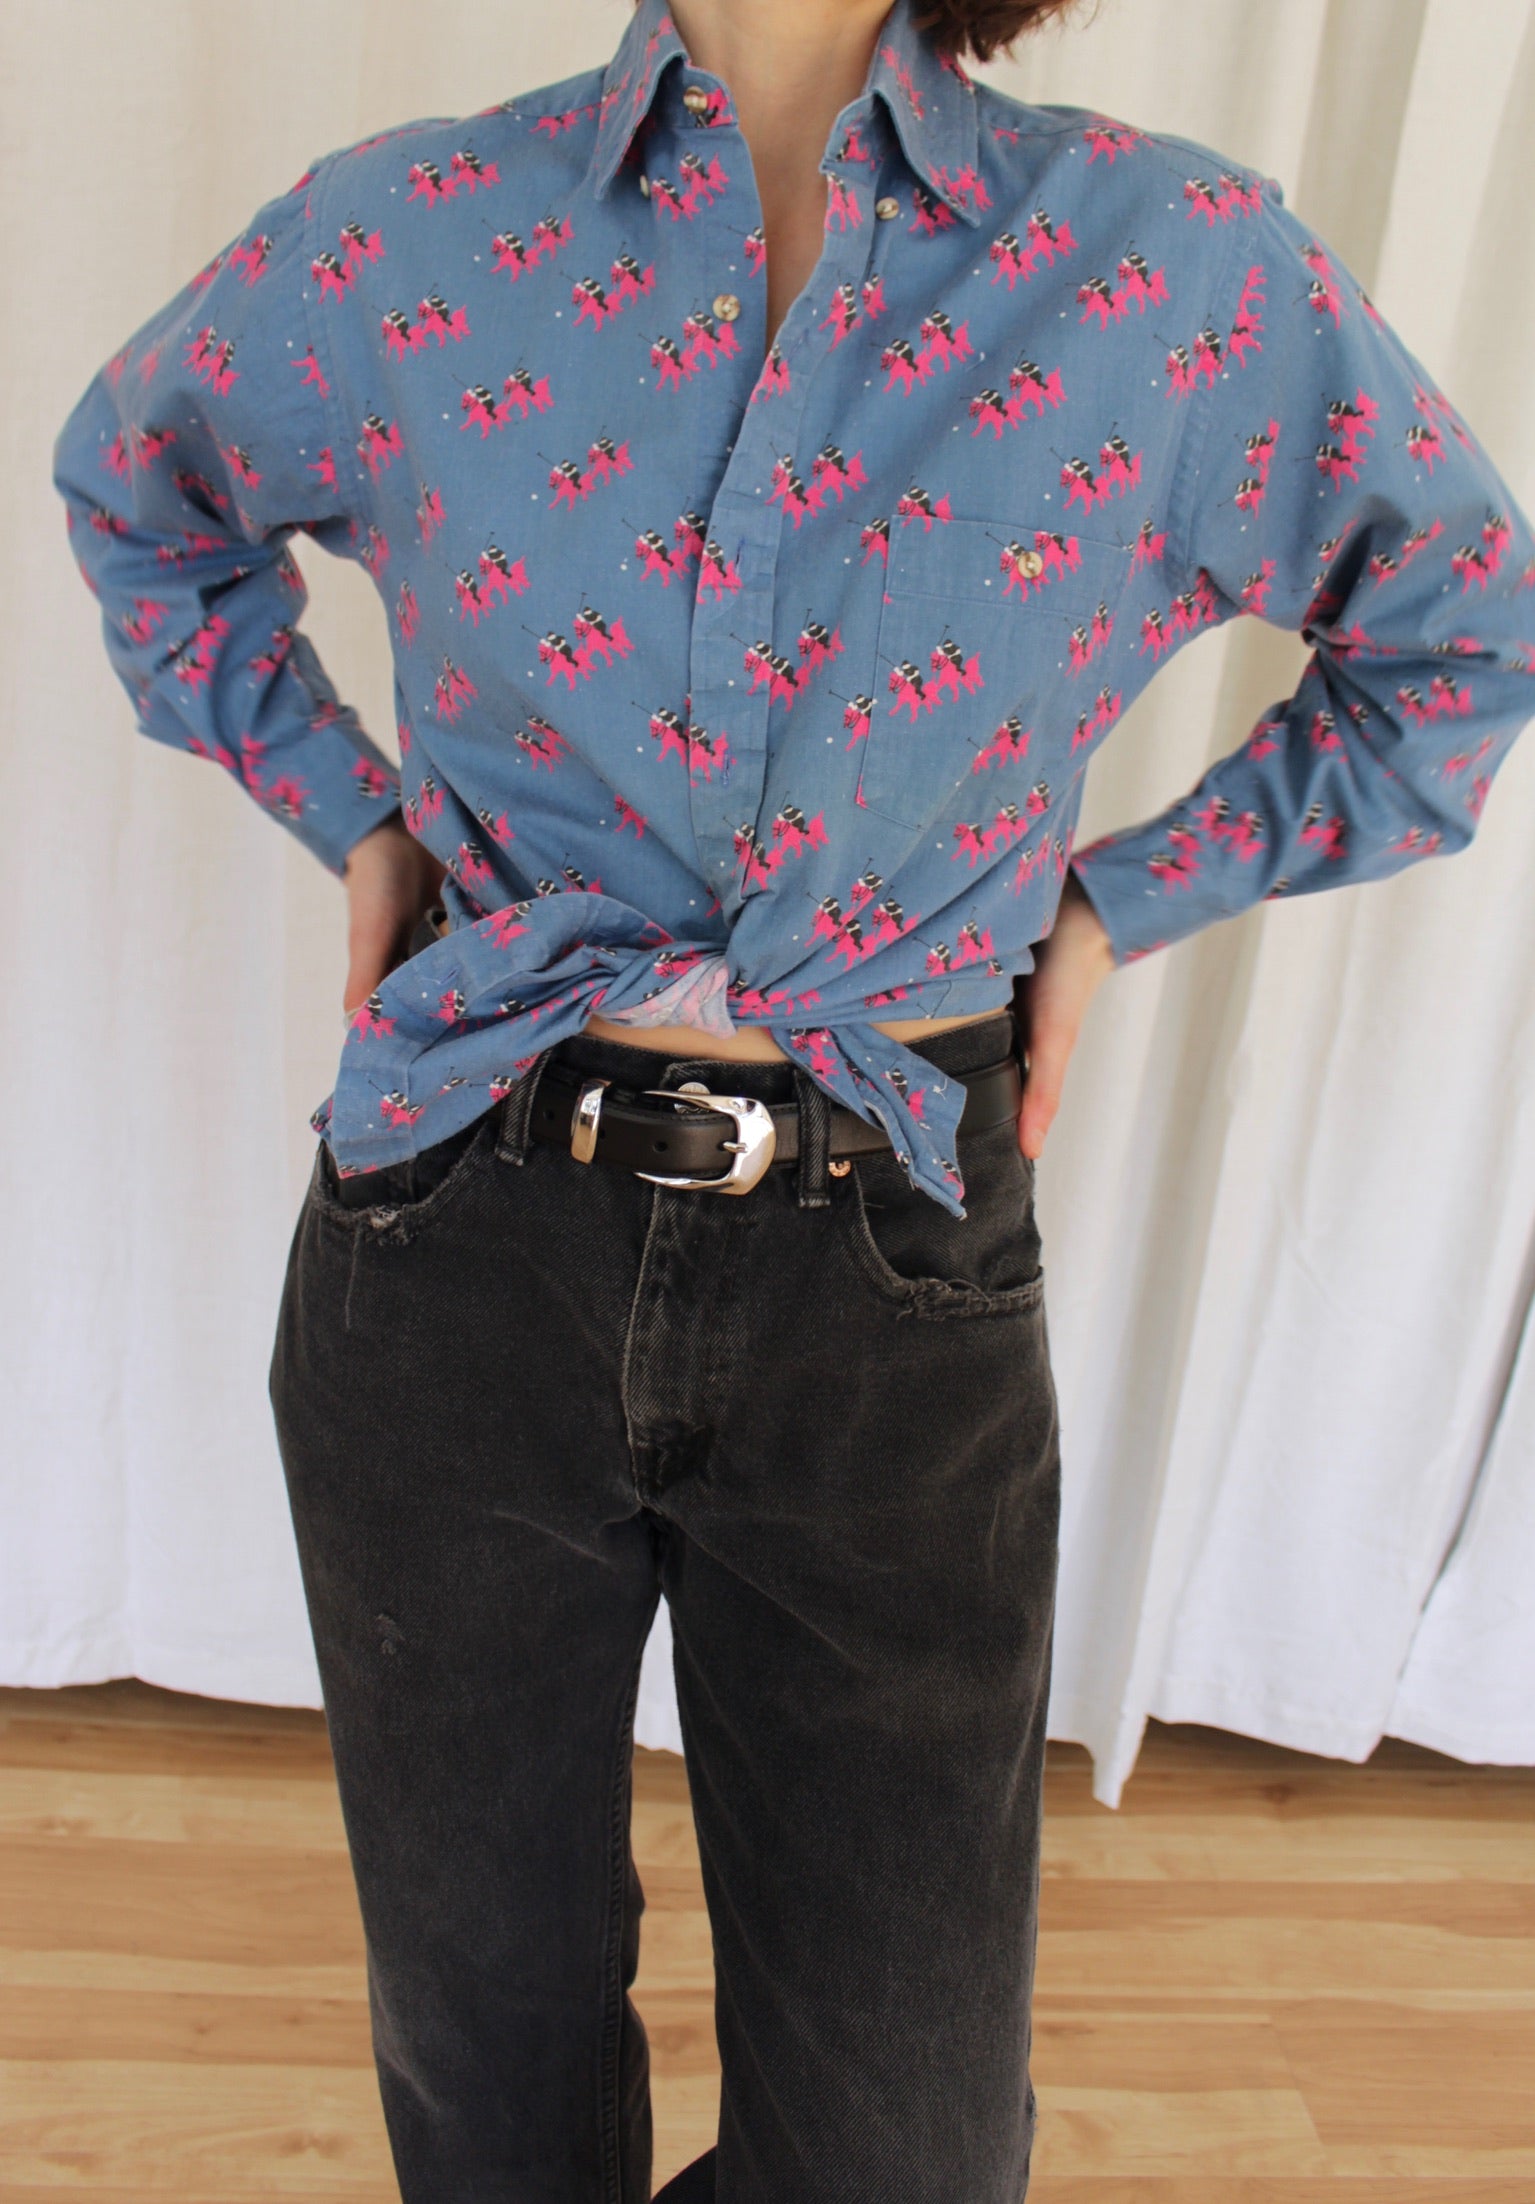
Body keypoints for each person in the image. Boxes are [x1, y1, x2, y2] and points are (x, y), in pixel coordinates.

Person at [52, 0, 1535, 2193]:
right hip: (458, 1245)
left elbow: (1462, 629)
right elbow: (140, 482)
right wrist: (355, 817)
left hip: (892, 1280)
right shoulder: (412, 235)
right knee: (489, 2070)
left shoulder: (1174, 270)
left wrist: (1111, 907)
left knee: (905, 2148)